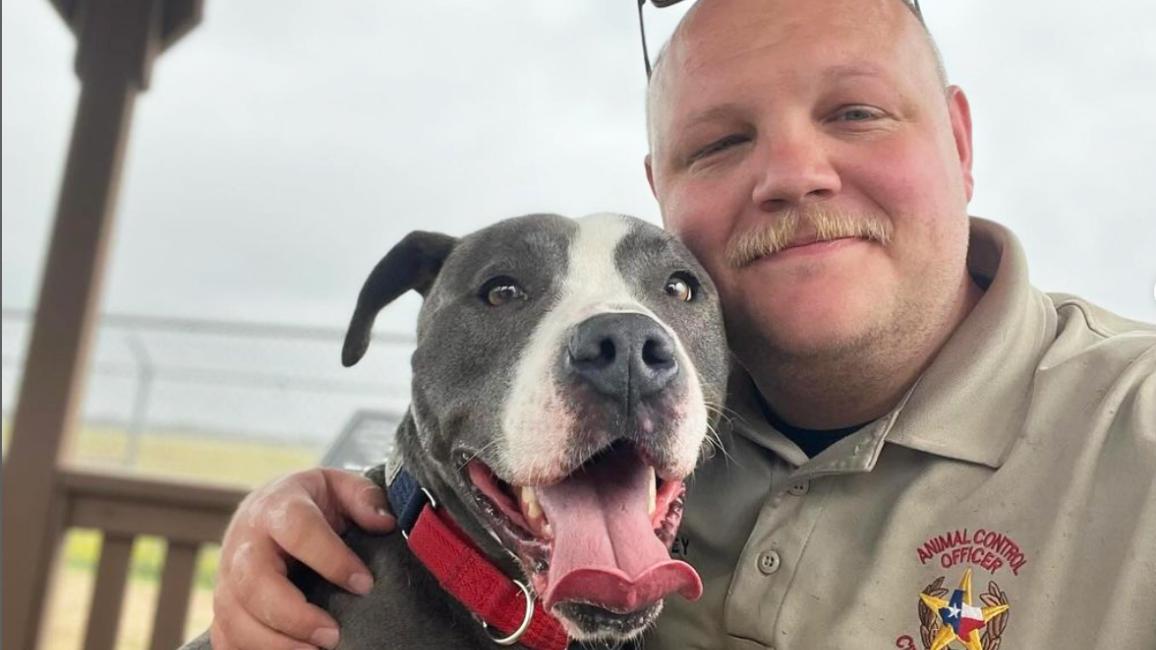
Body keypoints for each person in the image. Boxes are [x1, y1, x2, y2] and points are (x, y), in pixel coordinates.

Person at [206, 0, 1156, 648]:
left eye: (857, 112)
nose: (793, 172)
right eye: (721, 141)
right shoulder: (650, 413)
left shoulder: (1134, 433)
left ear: (958, 139)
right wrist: (295, 528)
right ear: (663, 191)